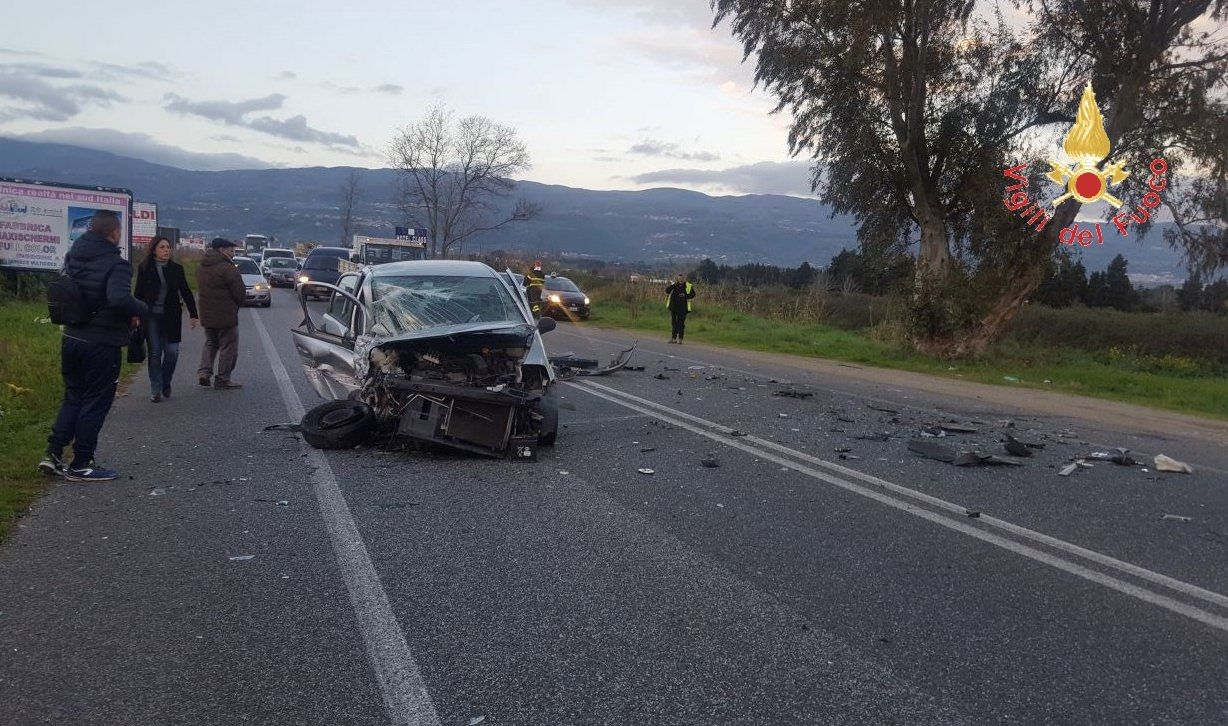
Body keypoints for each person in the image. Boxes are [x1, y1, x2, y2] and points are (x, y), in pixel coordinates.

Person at [40, 211, 148, 481]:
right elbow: (118, 298)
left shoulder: (73, 255)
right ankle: (81, 462)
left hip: (72, 336)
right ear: (114, 232)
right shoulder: (116, 263)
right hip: (101, 341)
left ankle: (53, 454)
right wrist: (141, 308)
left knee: (73, 396)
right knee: (96, 401)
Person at [134, 236, 199, 402]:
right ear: (154, 249)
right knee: (155, 354)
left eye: (168, 247)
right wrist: (135, 314)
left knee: (172, 352)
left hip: (171, 317)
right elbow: (138, 294)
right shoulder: (145, 268)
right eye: (162, 247)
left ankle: (165, 382)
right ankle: (155, 389)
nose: (166, 250)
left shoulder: (176, 269)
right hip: (151, 317)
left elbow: (185, 291)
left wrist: (193, 314)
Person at [196, 238, 246, 389]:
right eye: (231, 250)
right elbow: (239, 292)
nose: (232, 254)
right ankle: (223, 378)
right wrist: (239, 303)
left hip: (206, 313)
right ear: (222, 250)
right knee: (228, 346)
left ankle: (204, 372)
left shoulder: (202, 267)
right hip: (225, 315)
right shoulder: (228, 268)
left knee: (211, 343)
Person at [665, 273, 696, 344]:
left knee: (681, 323)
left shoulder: (688, 286)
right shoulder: (675, 285)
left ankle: (680, 339)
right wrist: (673, 285)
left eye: (682, 279)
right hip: (674, 307)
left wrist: (685, 295)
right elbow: (667, 290)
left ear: (684, 279)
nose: (680, 280)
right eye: (679, 279)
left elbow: (693, 294)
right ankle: (673, 338)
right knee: (674, 323)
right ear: (677, 279)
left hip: (683, 308)